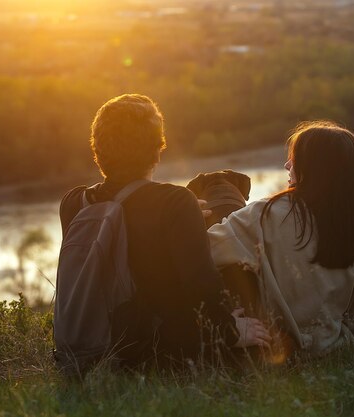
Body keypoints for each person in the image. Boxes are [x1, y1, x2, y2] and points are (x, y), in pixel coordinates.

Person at [58, 94, 269, 368]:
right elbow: (202, 286)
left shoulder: (73, 202)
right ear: (158, 148)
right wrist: (230, 331)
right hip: (155, 350)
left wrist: (186, 216)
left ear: (97, 148)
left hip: (90, 347)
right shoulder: (174, 202)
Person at [207, 121, 354, 357]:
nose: (286, 164)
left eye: (295, 159)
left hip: (270, 347)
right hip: (334, 352)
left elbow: (205, 251)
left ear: (313, 169)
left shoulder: (264, 215)